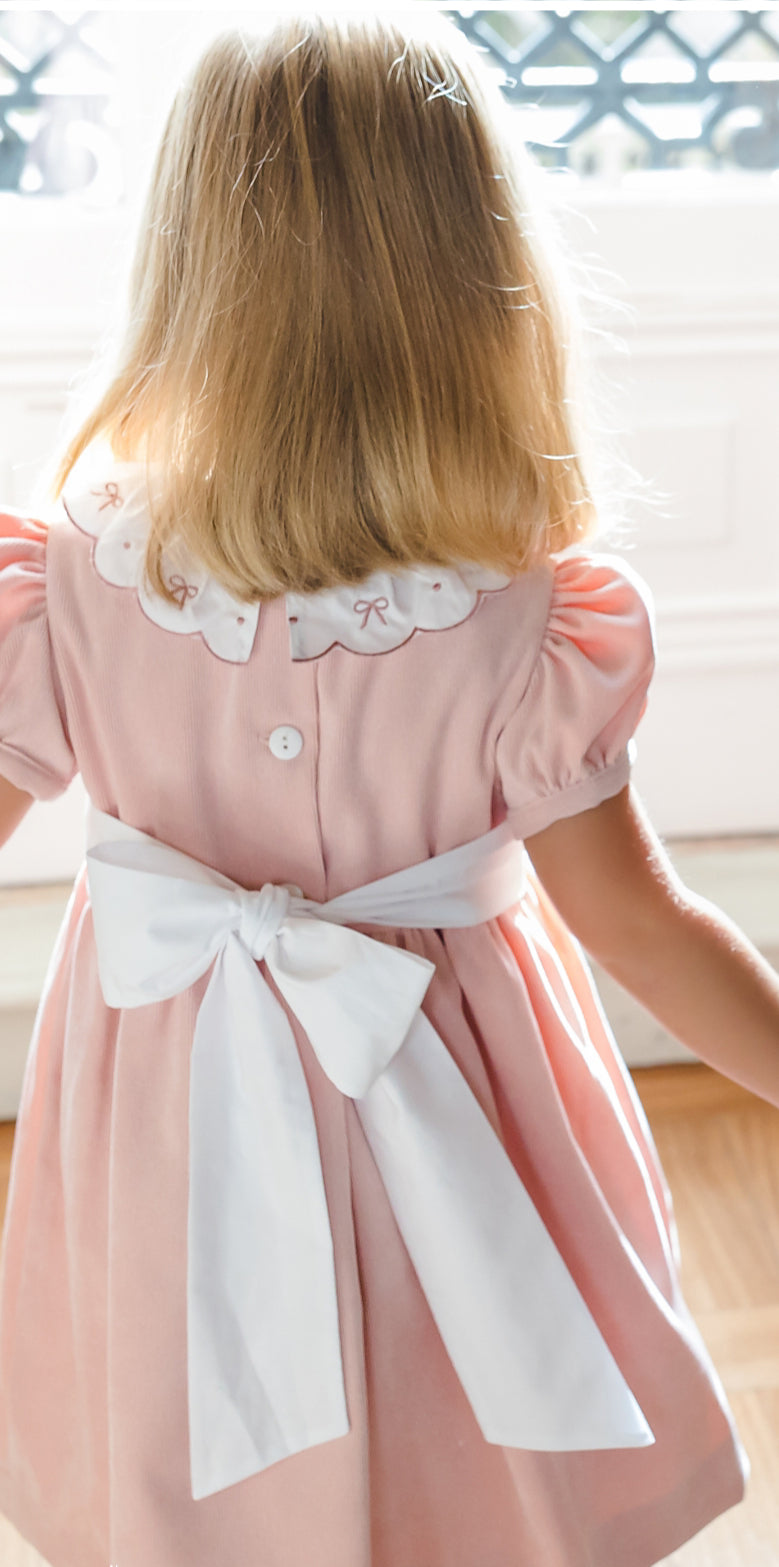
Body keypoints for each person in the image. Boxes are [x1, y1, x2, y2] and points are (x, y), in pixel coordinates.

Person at [0, 11, 777, 1567]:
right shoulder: (520, 607)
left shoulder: (71, 579)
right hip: (468, 1094)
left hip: (165, 1111)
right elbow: (639, 924)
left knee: (194, 1453)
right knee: (463, 1443)